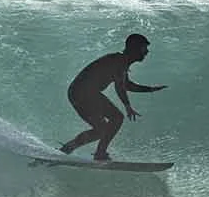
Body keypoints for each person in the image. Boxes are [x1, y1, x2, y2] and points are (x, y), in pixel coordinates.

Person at [60, 33, 165, 161]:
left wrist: (149, 89)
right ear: (135, 48)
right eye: (144, 48)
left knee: (101, 130)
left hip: (79, 92)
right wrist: (127, 106)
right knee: (116, 118)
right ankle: (100, 153)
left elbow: (126, 85)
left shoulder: (122, 62)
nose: (146, 52)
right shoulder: (119, 61)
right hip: (83, 92)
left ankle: (67, 148)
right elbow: (119, 86)